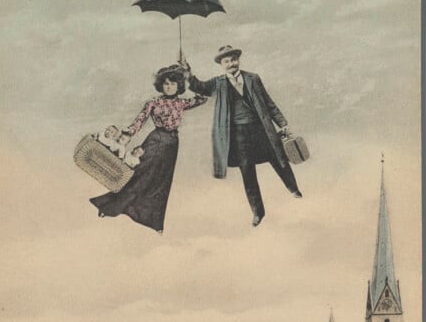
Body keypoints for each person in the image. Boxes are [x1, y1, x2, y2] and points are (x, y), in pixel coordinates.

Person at [183, 45, 302, 227]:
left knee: (279, 159)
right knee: (247, 171)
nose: (231, 64)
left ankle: (294, 189)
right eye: (226, 61)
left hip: (261, 129)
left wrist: (283, 124)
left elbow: (269, 103)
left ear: (238, 60)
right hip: (238, 135)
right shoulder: (218, 83)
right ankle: (257, 211)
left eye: (233, 59)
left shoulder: (253, 78)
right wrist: (188, 73)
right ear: (221, 65)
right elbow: (200, 87)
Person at [89, 65, 208, 232]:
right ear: (160, 85)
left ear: (179, 85)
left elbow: (204, 97)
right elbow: (140, 120)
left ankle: (154, 222)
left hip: (172, 144)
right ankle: (110, 207)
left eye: (173, 83)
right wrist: (127, 134)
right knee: (140, 175)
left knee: (162, 183)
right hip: (156, 141)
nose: (169, 86)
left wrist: (189, 75)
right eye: (165, 83)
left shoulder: (182, 103)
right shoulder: (153, 102)